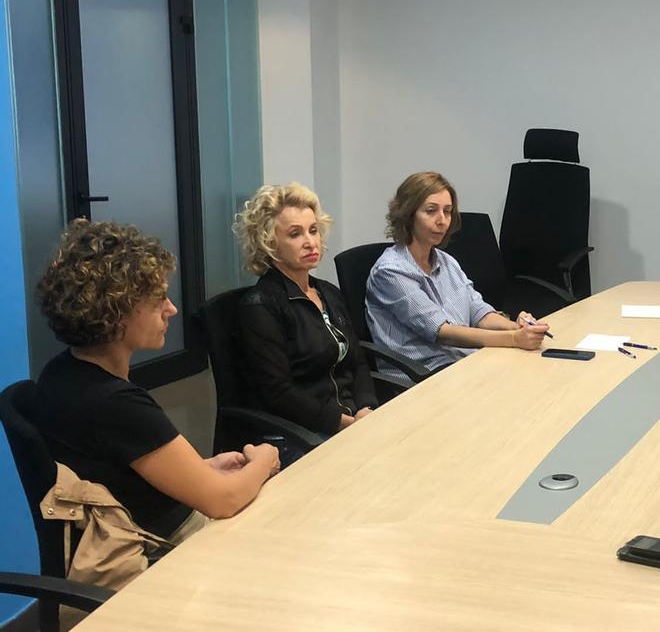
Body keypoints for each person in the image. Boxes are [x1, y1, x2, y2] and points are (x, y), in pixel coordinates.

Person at [33, 219, 279, 544]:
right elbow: (222, 501)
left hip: (139, 525)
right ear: (117, 310)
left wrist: (203, 469)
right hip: (159, 550)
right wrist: (264, 461)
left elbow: (116, 474)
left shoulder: (61, 372)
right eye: (158, 299)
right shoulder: (115, 403)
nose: (171, 309)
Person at [367, 171, 549, 373]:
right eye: (431, 211)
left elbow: (478, 311)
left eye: (447, 211)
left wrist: (517, 327)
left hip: (460, 361)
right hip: (425, 374)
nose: (442, 220)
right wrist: (514, 339)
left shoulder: (446, 262)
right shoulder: (390, 271)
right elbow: (443, 332)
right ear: (408, 215)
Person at [234, 183, 378, 436]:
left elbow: (357, 361)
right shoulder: (261, 306)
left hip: (353, 420)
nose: (311, 242)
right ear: (269, 243)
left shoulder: (328, 292)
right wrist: (344, 423)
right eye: (295, 234)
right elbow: (279, 393)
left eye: (313, 230)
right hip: (304, 432)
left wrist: (366, 407)